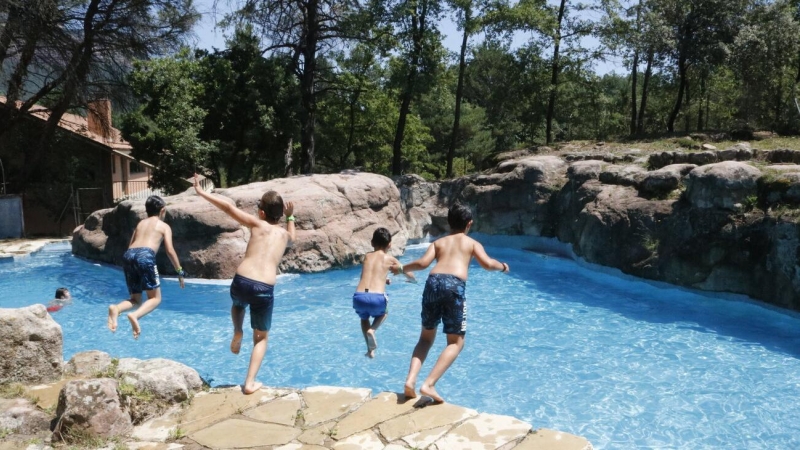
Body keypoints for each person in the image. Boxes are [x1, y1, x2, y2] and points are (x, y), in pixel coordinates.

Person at [394, 203, 509, 403]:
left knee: (425, 338)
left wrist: (402, 268)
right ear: (469, 224)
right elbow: (488, 264)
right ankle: (428, 384)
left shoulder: (438, 243)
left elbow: (422, 264)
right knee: (455, 342)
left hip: (432, 283)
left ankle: (410, 381)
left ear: (449, 222)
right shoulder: (472, 243)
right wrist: (503, 266)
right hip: (454, 285)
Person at [193, 174, 295, 395]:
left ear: (261, 212)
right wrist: (291, 217)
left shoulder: (256, 224)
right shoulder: (285, 234)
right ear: (280, 214)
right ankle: (249, 383)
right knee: (261, 338)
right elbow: (293, 236)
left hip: (241, 280)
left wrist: (202, 193)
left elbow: (229, 209)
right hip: (264, 288)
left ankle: (237, 330)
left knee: (238, 304)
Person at [107, 195, 185, 339]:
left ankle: (116, 308)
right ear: (162, 211)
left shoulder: (140, 223)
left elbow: (131, 246)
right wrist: (179, 271)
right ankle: (135, 316)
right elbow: (170, 250)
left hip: (129, 255)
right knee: (155, 299)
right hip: (145, 256)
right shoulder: (164, 226)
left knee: (136, 300)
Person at [353, 227, 414, 358]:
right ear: (390, 245)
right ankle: (372, 330)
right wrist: (412, 280)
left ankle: (370, 350)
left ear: (372, 243)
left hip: (358, 297)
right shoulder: (390, 259)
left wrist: (383, 278)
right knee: (385, 312)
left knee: (364, 319)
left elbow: (366, 276)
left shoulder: (366, 256)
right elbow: (409, 274)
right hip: (377, 299)